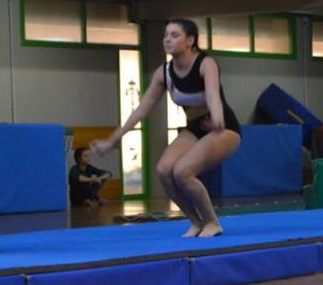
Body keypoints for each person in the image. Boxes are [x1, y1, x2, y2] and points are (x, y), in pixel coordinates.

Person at [91, 19, 241, 238]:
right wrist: (113, 139)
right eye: (165, 35)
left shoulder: (205, 63)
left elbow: (212, 93)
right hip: (195, 129)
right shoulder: (164, 73)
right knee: (163, 170)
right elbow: (142, 109)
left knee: (183, 171)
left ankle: (212, 222)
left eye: (174, 35)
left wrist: (217, 116)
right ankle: (196, 221)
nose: (167, 39)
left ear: (190, 41)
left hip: (223, 128)